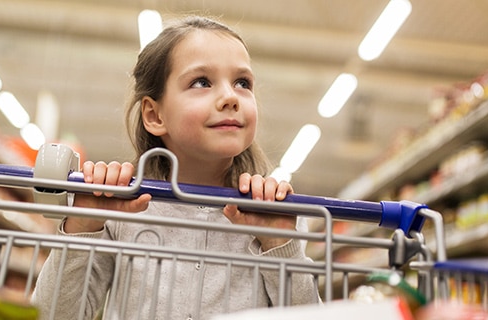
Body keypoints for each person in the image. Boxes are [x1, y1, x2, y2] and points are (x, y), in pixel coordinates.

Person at [31, 15, 321, 319]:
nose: (230, 97)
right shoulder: (121, 208)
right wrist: (84, 225)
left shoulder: (273, 213)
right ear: (155, 115)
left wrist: (279, 245)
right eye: (202, 82)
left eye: (242, 83)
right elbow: (51, 315)